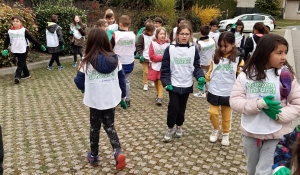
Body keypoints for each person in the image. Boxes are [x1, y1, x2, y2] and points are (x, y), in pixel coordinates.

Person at [230, 34, 300, 175]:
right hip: (251, 132)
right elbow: (235, 101)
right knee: (252, 170)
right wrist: (259, 104)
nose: (283, 57)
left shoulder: (286, 76)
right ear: (265, 52)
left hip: (277, 135)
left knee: (264, 172)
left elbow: (297, 104)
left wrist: (278, 114)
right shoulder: (246, 74)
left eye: (285, 52)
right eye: (279, 53)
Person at [74, 28, 127, 169]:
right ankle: (118, 152)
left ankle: (94, 156)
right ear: (106, 41)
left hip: (95, 101)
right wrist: (123, 96)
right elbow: (122, 79)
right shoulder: (116, 59)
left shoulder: (86, 61)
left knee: (94, 128)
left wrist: (84, 89)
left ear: (90, 42)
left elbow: (78, 81)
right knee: (110, 126)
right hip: (111, 99)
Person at [161, 22, 205, 142]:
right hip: (173, 85)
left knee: (181, 109)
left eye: (187, 34)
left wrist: (200, 76)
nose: (184, 36)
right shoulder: (170, 49)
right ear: (177, 35)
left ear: (190, 35)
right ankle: (170, 127)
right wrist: (166, 82)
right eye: (182, 34)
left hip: (186, 84)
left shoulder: (193, 49)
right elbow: (164, 68)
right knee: (173, 107)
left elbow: (196, 67)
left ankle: (179, 125)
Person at [205, 32, 244, 146]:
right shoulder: (215, 56)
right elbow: (211, 71)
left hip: (228, 92)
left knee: (226, 116)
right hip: (214, 89)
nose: (223, 48)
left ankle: (226, 134)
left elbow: (241, 76)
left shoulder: (238, 59)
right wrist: (204, 79)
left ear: (233, 44)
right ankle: (216, 129)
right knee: (212, 113)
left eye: (225, 46)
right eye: (220, 46)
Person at [2, 14, 46, 84]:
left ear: (20, 23)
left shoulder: (23, 31)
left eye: (17, 21)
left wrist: (40, 45)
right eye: (14, 21)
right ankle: (27, 74)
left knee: (20, 63)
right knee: (22, 62)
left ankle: (17, 77)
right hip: (15, 50)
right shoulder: (10, 31)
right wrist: (5, 49)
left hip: (23, 49)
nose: (15, 22)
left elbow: (32, 39)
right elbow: (6, 41)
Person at [111, 15, 136, 107]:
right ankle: (127, 99)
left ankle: (118, 99)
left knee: (117, 80)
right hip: (129, 61)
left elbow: (110, 47)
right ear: (129, 24)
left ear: (120, 24)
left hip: (117, 62)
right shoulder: (133, 35)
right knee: (126, 80)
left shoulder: (115, 35)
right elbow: (135, 49)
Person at [148, 27, 170, 105]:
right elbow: (152, 56)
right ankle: (158, 93)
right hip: (154, 66)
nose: (162, 35)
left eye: (164, 34)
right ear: (157, 35)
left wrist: (163, 59)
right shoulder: (153, 43)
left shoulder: (168, 44)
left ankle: (160, 97)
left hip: (164, 66)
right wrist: (163, 57)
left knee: (160, 81)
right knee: (156, 81)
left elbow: (169, 56)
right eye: (161, 34)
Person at [194, 25, 217, 98]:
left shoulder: (199, 43)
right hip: (211, 62)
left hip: (202, 63)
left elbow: (196, 53)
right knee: (209, 77)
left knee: (202, 78)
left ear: (200, 33)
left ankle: (202, 92)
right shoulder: (212, 40)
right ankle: (209, 90)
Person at [137, 23, 155, 91]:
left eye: (153, 31)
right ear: (147, 31)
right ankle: (145, 84)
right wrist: (140, 55)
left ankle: (152, 80)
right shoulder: (142, 36)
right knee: (146, 71)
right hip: (144, 56)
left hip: (152, 56)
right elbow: (139, 46)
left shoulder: (154, 36)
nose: (152, 33)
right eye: (151, 31)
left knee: (152, 70)